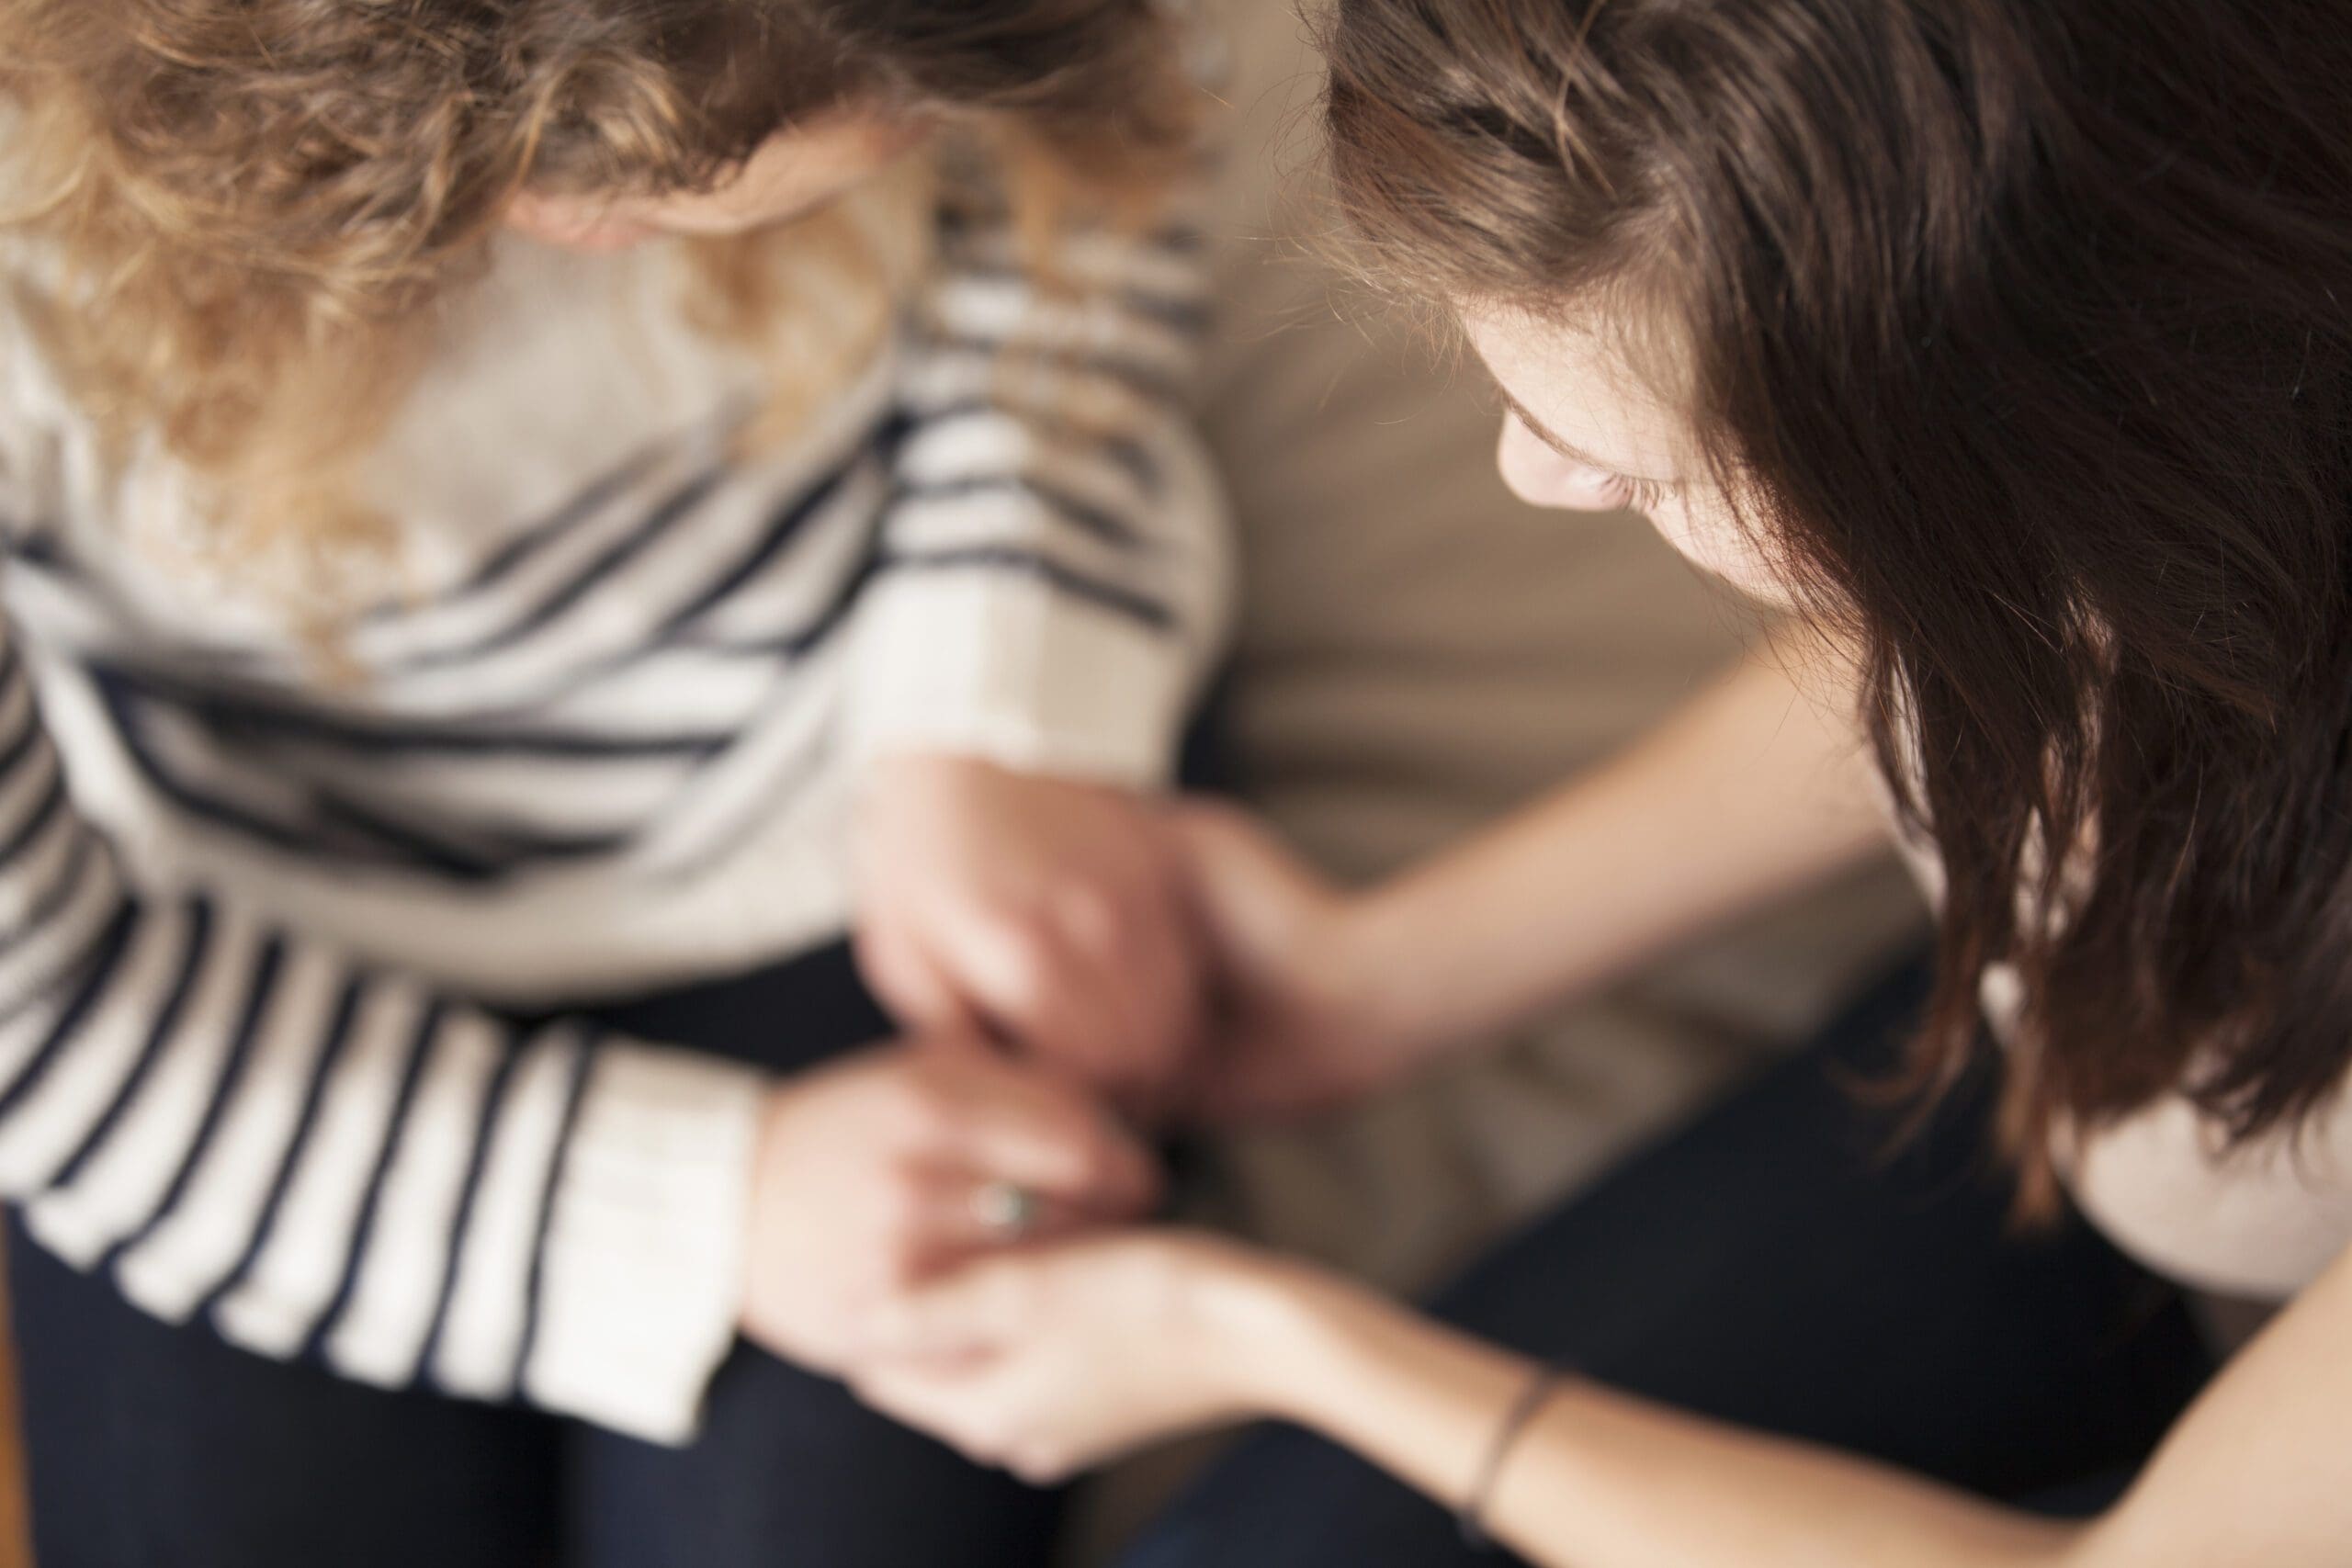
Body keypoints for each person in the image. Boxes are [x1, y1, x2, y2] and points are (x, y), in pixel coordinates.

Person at [847, 3, 2352, 1563]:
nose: (1530, 472)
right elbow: (1956, 646)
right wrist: (1387, 979)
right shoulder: (2187, 440)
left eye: (1646, 471)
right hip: (2110, 1092)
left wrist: (1268, 1339)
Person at [0, 2, 1228, 1563]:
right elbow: (45, 1022)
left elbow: (1107, 123)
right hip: (220, 962)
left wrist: (1001, 695)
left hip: (853, 795)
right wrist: (712, 1215)